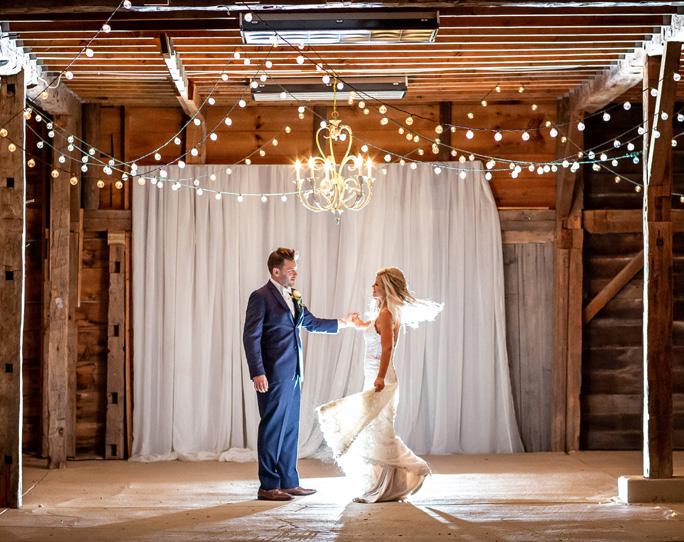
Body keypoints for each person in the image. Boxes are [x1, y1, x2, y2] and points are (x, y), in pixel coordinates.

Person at [317, 267, 443, 503]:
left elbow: (387, 348)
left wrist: (381, 377)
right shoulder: (382, 313)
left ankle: (399, 477)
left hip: (381, 379)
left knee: (380, 432)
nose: (372, 287)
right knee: (374, 431)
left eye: (376, 284)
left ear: (387, 288)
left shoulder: (386, 314)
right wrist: (357, 323)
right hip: (374, 377)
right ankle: (384, 485)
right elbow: (371, 330)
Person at [243, 248, 354, 501]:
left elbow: (310, 322)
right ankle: (268, 486)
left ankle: (289, 482)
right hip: (272, 374)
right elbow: (251, 338)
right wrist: (257, 372)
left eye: (295, 269)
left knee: (290, 428)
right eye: (290, 270)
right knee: (273, 428)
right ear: (276, 271)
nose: (295, 274)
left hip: (294, 373)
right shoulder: (260, 297)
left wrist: (344, 322)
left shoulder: (293, 296)